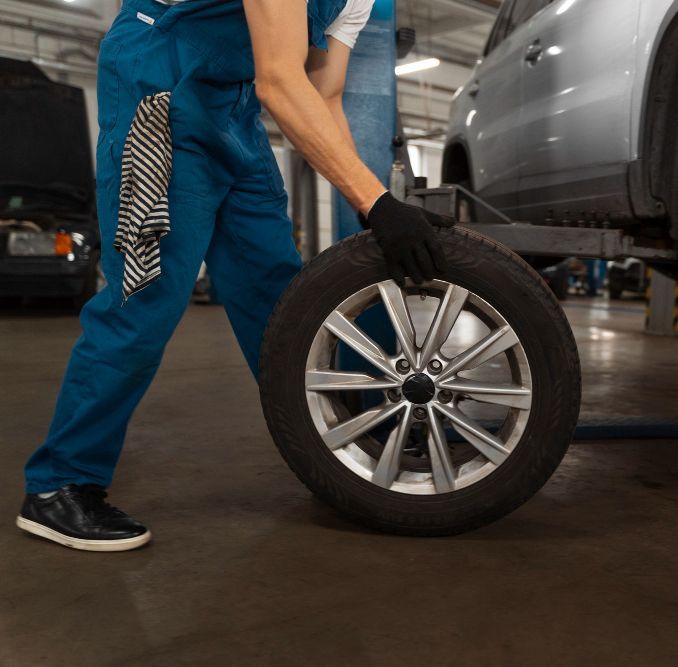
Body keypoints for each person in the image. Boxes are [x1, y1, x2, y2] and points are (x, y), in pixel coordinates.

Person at [16, 0, 454, 552]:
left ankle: (337, 454)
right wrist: (378, 204)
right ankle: (60, 484)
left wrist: (374, 202)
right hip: (160, 82)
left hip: (234, 109)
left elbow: (324, 94)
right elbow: (278, 79)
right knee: (146, 297)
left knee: (278, 298)